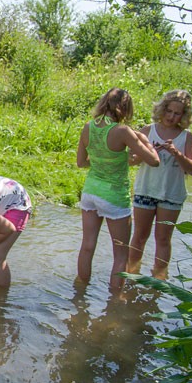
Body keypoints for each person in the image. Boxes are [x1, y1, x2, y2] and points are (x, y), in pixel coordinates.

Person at [76, 87, 159, 291]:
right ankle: (115, 301)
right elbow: (154, 161)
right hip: (114, 197)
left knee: (87, 246)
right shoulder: (122, 131)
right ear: (125, 108)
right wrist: (145, 140)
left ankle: (80, 293)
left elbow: (82, 163)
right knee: (120, 253)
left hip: (90, 193)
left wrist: (106, 163)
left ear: (104, 103)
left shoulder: (88, 127)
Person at [128, 90, 192, 278]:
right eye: (169, 111)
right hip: (146, 189)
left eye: (177, 113)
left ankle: (159, 280)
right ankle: (131, 275)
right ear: (162, 109)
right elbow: (130, 160)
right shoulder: (148, 130)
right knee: (139, 236)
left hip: (171, 194)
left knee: (163, 239)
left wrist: (176, 153)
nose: (171, 117)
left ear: (184, 116)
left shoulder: (187, 137)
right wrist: (147, 153)